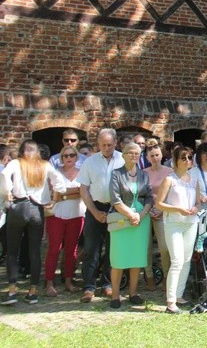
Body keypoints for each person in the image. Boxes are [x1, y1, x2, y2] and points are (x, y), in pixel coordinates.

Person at [0, 140, 62, 305]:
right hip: (36, 209)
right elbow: (59, 183)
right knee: (34, 251)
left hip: (18, 207)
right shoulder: (45, 165)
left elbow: (4, 175)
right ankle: (32, 292)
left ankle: (12, 291)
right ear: (37, 152)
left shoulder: (15, 163)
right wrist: (54, 200)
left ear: (22, 151)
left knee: (13, 251)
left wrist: (7, 193)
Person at [77, 128, 125, 302]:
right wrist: (94, 211)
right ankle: (89, 287)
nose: (106, 148)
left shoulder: (122, 159)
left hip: (116, 208)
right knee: (91, 248)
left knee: (114, 249)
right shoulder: (90, 162)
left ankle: (108, 284)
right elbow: (83, 189)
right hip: (94, 207)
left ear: (116, 142)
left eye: (110, 145)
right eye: (103, 145)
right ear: (98, 144)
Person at [156, 146, 201, 314]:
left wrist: (196, 208)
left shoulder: (194, 180)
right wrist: (178, 209)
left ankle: (179, 294)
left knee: (187, 260)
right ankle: (170, 300)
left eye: (190, 157)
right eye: (184, 158)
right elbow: (158, 204)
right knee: (176, 260)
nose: (188, 161)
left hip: (190, 223)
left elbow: (198, 202)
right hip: (173, 223)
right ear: (176, 160)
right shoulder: (170, 179)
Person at [108, 142, 153, 309]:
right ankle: (115, 295)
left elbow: (149, 197)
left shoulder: (144, 175)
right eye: (130, 153)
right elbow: (115, 199)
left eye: (137, 153)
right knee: (119, 258)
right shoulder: (116, 174)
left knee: (136, 257)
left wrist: (140, 216)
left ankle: (133, 292)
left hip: (141, 220)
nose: (134, 156)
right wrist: (130, 214)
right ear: (123, 155)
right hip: (122, 218)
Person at [45, 145, 85, 297]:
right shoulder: (55, 173)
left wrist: (63, 194)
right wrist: (74, 192)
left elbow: (83, 192)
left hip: (77, 215)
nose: (69, 158)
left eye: (72, 155)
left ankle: (68, 280)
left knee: (71, 250)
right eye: (65, 156)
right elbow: (53, 193)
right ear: (61, 158)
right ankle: (49, 282)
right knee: (54, 249)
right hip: (57, 215)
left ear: (76, 157)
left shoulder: (82, 173)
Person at [144, 141, 173, 286]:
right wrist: (148, 210)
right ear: (147, 158)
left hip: (163, 212)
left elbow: (172, 194)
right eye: (152, 156)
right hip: (147, 212)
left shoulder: (169, 172)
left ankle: (168, 277)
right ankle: (149, 277)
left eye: (157, 155)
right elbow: (142, 195)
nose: (155, 158)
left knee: (164, 247)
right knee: (146, 246)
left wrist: (162, 209)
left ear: (161, 155)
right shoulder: (144, 173)